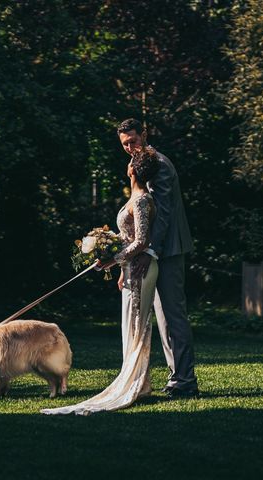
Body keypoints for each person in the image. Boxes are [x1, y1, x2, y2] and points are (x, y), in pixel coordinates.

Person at [41, 149, 161, 415]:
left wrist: (112, 259)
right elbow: (128, 236)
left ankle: (137, 383)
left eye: (130, 162)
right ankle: (140, 381)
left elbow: (142, 240)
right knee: (129, 326)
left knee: (137, 325)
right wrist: (104, 249)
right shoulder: (134, 198)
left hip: (141, 270)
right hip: (129, 268)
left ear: (133, 170)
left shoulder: (142, 200)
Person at [116, 118, 199, 398]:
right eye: (125, 144)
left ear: (144, 134)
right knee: (161, 318)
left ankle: (185, 381)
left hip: (169, 249)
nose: (130, 147)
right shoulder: (140, 165)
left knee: (172, 315)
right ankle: (176, 378)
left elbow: (162, 214)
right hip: (149, 251)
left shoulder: (159, 164)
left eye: (133, 141)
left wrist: (150, 251)